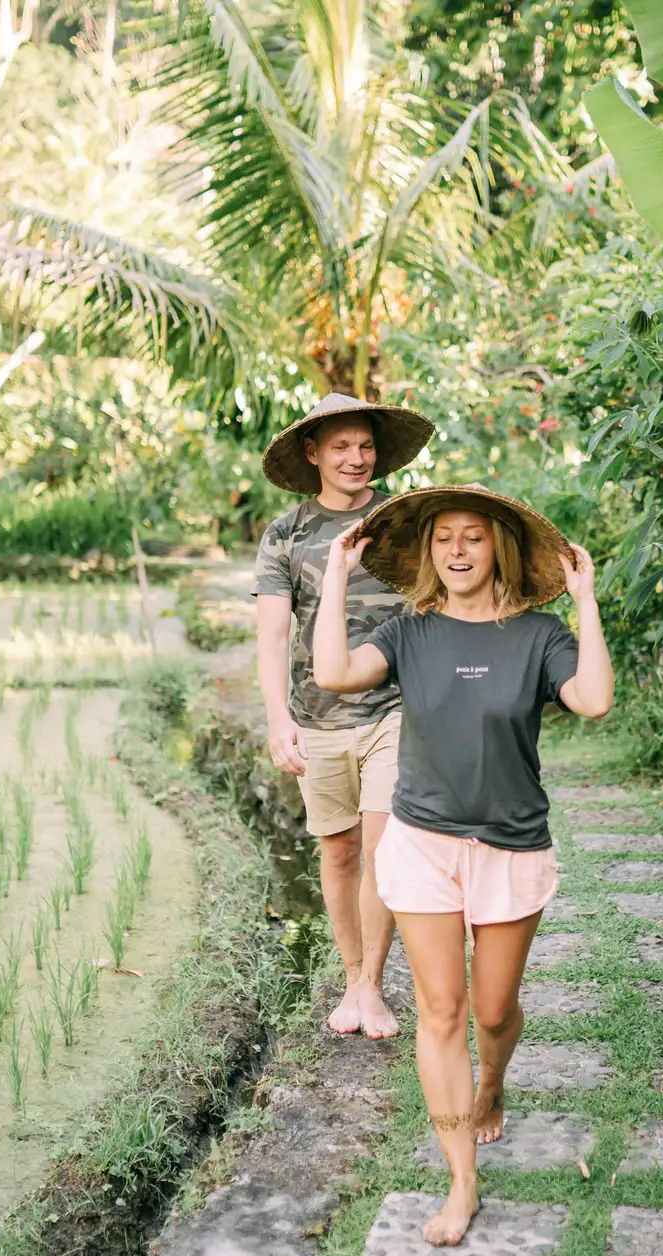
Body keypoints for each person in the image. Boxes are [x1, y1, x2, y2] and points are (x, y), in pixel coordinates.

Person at [312, 485, 614, 1247]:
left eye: (473, 537)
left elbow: (595, 700)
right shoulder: (410, 632)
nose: (456, 550)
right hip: (422, 843)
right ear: (428, 553)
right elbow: (333, 675)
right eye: (444, 538)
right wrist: (339, 579)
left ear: (497, 550)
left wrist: (586, 602)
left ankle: (494, 1081)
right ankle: (460, 1181)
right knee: (441, 1011)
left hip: (512, 846)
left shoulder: (540, 635)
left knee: (491, 1013)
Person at [253, 392, 435, 1040]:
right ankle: (353, 973)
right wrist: (279, 719)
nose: (357, 458)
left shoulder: (404, 521)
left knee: (384, 852)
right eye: (341, 447)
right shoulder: (287, 534)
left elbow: (434, 606)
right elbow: (274, 636)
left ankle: (370, 986)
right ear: (313, 454)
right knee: (338, 852)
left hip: (394, 709)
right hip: (319, 717)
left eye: (365, 446)